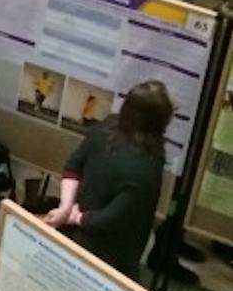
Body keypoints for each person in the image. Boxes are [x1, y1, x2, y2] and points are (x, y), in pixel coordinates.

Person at [43, 80, 172, 279]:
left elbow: (72, 167)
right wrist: (76, 217)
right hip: (113, 255)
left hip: (74, 237)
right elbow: (113, 218)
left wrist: (66, 208)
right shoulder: (148, 165)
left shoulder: (106, 127)